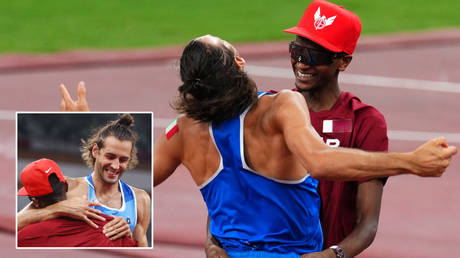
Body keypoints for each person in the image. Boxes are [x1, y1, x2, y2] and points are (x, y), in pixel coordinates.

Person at [60, 35, 456, 257]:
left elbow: (113, 183)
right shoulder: (281, 107)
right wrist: (411, 161)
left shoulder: (184, 132)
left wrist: (90, 133)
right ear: (239, 64)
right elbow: (320, 162)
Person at [206, 1, 389, 257]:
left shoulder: (365, 121)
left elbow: (368, 223)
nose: (302, 64)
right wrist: (212, 242)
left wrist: (333, 254)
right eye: (297, 51)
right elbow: (225, 182)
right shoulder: (266, 111)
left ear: (343, 62)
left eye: (316, 56)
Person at [17, 114, 151, 247]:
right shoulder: (68, 188)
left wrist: (128, 236)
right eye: (110, 157)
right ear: (95, 151)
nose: (115, 166)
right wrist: (58, 208)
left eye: (123, 160)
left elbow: (141, 249)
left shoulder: (140, 199)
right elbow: (16, 222)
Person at [17, 158, 138, 247]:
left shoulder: (24, 237)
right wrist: (128, 236)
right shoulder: (110, 226)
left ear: (35, 201)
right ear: (65, 186)